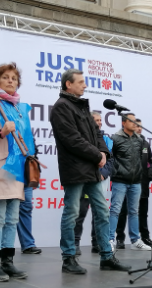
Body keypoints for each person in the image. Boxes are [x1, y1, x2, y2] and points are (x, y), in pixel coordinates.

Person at [50, 69, 127, 274]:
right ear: (68, 84)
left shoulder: (83, 106)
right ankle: (68, 258)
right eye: (81, 82)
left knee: (102, 211)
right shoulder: (61, 107)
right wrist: (97, 155)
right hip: (75, 169)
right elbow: (72, 139)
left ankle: (106, 257)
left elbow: (97, 134)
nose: (85, 85)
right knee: (72, 213)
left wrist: (103, 152)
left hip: (92, 170)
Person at [0, 62, 34, 281]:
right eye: (5, 77)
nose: (10, 80)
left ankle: (7, 261)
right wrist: (1, 132)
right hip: (2, 166)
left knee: (12, 218)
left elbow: (27, 139)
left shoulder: (20, 109)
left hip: (17, 169)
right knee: (0, 217)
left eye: (14, 78)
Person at [108, 111, 152, 253]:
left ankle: (135, 240)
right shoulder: (115, 138)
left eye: (135, 121)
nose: (134, 123)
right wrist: (116, 171)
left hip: (136, 182)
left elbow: (142, 159)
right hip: (120, 180)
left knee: (134, 211)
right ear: (123, 123)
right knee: (115, 210)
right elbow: (110, 158)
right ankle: (110, 239)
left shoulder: (140, 140)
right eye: (131, 121)